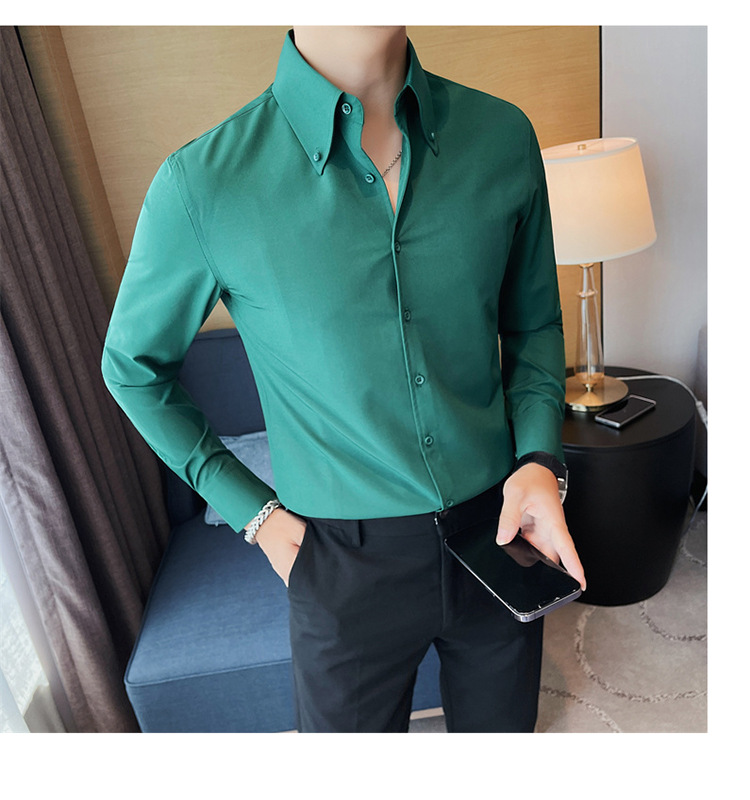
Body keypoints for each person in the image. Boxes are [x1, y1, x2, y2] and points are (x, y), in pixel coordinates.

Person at [101, 25, 586, 733]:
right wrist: (252, 513)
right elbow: (132, 368)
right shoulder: (204, 184)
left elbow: (534, 321)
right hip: (341, 563)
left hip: (501, 526)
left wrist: (540, 458)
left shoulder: (502, 136)